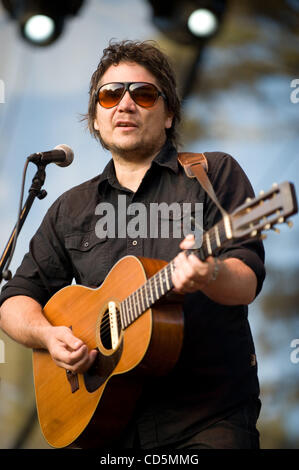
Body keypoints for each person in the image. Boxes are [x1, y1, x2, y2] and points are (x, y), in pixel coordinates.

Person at [0, 39, 265, 449]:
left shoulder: (212, 175)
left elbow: (246, 280)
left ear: (169, 113)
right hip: (104, 427)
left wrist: (209, 272)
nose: (125, 105)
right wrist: (48, 336)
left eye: (142, 94)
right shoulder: (71, 208)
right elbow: (15, 299)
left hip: (208, 421)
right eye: (109, 95)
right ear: (95, 118)